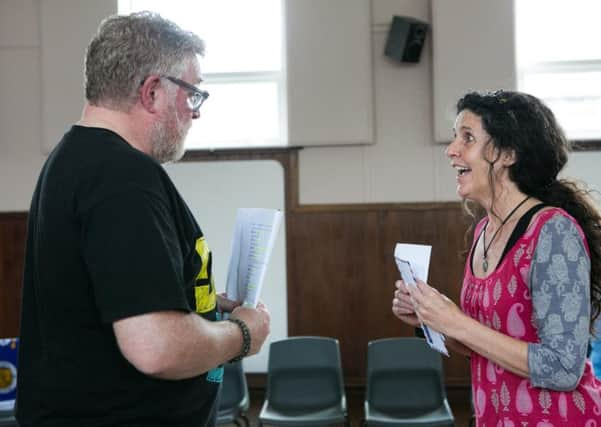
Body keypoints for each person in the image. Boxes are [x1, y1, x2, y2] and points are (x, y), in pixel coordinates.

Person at [16, 11, 270, 427]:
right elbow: (156, 348)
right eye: (193, 94)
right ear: (152, 92)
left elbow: (112, 295)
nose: (195, 112)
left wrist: (195, 300)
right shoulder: (122, 177)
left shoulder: (76, 159)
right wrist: (242, 334)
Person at [392, 90, 601, 425]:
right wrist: (432, 321)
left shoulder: (553, 232)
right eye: (455, 137)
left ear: (506, 153)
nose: (451, 150)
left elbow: (564, 368)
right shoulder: (483, 232)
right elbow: (484, 345)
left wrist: (456, 321)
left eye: (468, 138)